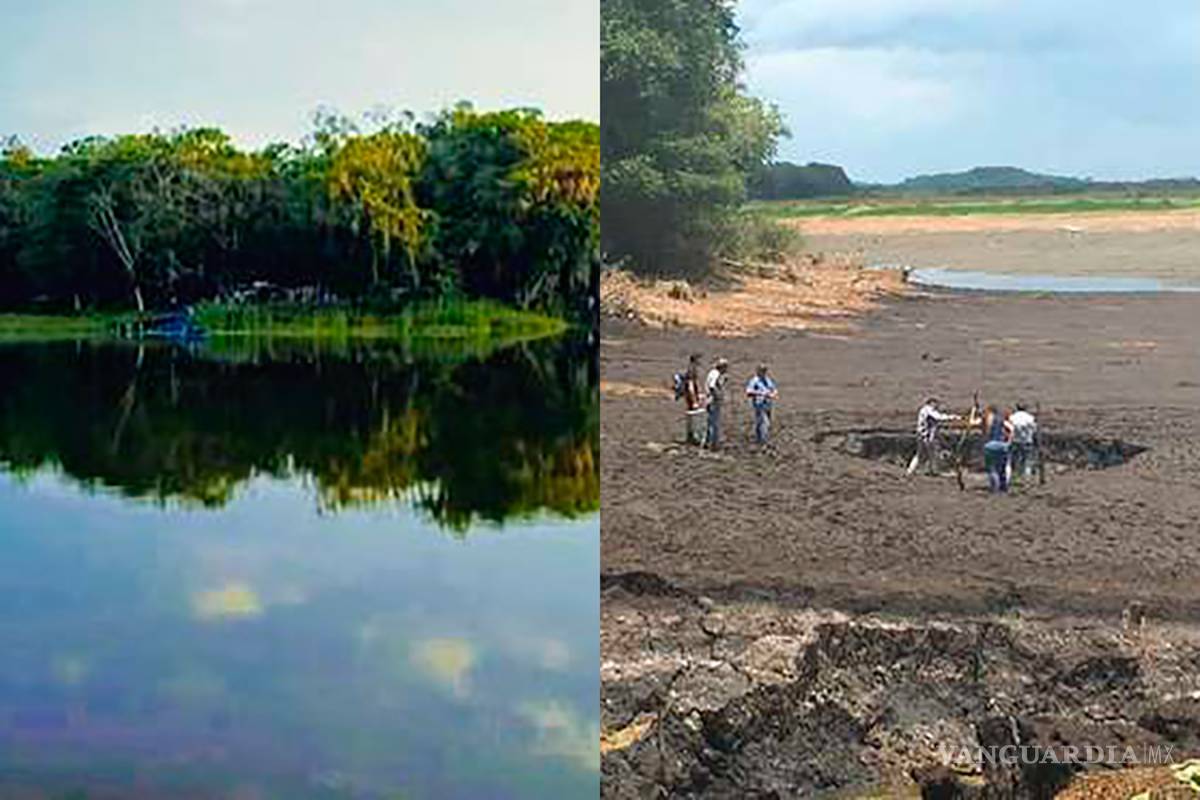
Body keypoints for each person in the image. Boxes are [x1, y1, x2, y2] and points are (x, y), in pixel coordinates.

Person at [906, 397, 960, 476]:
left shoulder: (923, 410)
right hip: (926, 436)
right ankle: (933, 470)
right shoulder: (928, 410)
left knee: (920, 454)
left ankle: (910, 471)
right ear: (931, 403)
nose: (937, 407)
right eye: (936, 404)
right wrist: (953, 417)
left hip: (921, 435)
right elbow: (939, 417)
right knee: (932, 454)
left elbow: (934, 427)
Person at [745, 363, 778, 445]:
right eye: (762, 371)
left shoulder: (767, 380)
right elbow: (749, 392)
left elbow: (773, 389)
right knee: (763, 423)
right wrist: (762, 394)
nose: (764, 372)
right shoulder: (754, 381)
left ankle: (760, 440)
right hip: (759, 404)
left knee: (765, 423)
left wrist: (774, 393)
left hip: (768, 404)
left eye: (765, 371)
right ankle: (763, 441)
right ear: (758, 371)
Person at [982, 405, 1013, 493]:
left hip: (989, 446)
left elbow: (984, 432)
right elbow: (1010, 429)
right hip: (1002, 445)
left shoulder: (985, 419)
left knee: (992, 468)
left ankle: (994, 487)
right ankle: (1004, 487)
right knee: (1002, 467)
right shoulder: (1001, 420)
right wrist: (1009, 440)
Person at [1008, 403, 1038, 481]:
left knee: (1013, 461)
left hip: (1014, 441)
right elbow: (1034, 429)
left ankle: (1013, 477)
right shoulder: (1030, 418)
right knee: (1027, 461)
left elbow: (1009, 429)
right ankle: (1026, 479)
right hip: (1027, 441)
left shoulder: (1012, 417)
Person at [704, 357, 729, 449]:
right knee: (713, 423)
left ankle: (711, 443)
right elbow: (712, 386)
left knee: (712, 422)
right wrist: (718, 397)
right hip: (713, 401)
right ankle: (712, 444)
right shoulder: (715, 374)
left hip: (712, 401)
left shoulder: (713, 373)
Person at [682, 353, 705, 445]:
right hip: (691, 397)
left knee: (692, 416)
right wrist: (695, 400)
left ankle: (691, 437)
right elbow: (690, 386)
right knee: (693, 416)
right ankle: (693, 437)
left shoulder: (692, 369)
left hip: (692, 396)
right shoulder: (691, 370)